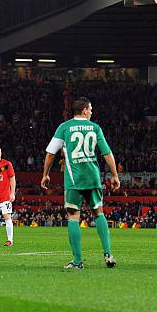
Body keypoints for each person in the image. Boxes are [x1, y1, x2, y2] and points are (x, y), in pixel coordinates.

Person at [41, 97, 120, 269]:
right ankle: (108, 253)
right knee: (98, 213)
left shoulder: (64, 128)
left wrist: (45, 174)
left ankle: (78, 261)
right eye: (90, 109)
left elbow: (50, 154)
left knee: (73, 217)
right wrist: (115, 175)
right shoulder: (95, 128)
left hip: (74, 180)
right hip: (93, 178)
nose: (91, 112)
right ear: (84, 110)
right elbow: (107, 153)